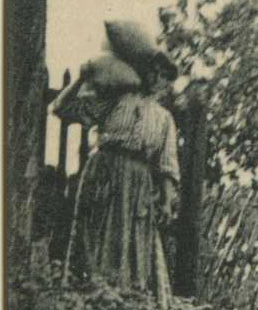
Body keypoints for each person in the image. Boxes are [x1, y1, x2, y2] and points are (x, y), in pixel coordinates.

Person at [60, 75, 179, 296]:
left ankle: (127, 300)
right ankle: (90, 296)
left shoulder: (164, 118)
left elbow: (167, 164)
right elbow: (63, 109)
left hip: (138, 182)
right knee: (96, 235)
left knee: (134, 242)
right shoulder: (112, 100)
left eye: (162, 75)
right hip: (104, 173)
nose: (156, 80)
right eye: (151, 72)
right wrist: (82, 78)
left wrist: (165, 201)